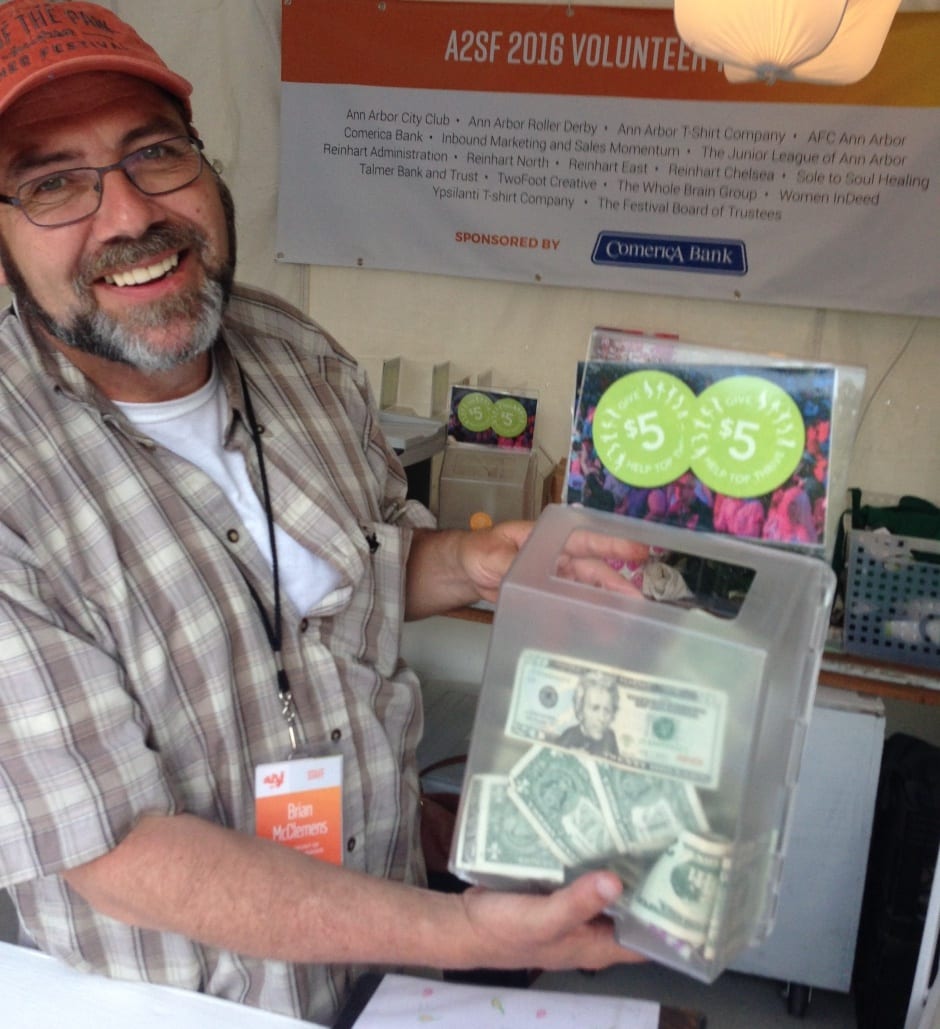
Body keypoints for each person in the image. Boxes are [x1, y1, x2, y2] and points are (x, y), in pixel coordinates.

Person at [0, 2, 648, 1024]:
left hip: (377, 981)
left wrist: (472, 568)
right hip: (183, 1004)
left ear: (209, 170)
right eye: (52, 183)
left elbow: (357, 570)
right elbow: (112, 848)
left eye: (153, 154)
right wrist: (457, 933)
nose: (126, 216)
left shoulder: (292, 353)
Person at [556, 672, 620, 760]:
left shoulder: (610, 737)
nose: (602, 718)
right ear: (580, 710)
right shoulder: (568, 736)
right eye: (595, 708)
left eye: (607, 710)